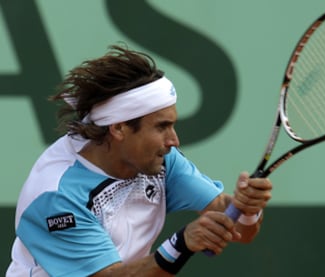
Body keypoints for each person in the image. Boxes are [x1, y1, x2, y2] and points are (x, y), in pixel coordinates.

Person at [6, 44, 272, 276]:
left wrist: (246, 209)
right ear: (119, 128)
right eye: (161, 127)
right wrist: (182, 243)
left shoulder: (162, 161)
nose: (174, 141)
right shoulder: (57, 196)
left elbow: (236, 227)